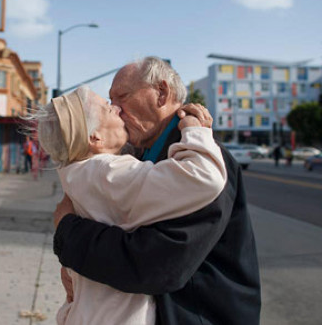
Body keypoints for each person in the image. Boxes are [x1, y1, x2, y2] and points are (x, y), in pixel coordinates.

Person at [53, 57, 261, 325]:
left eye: (122, 97)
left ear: (161, 93)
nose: (115, 109)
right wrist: (74, 271)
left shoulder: (205, 161)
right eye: (110, 102)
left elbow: (155, 265)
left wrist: (68, 232)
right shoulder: (140, 156)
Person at [34, 86, 226, 324]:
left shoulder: (76, 173)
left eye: (120, 98)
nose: (117, 108)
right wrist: (195, 130)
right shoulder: (107, 171)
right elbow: (203, 177)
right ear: (95, 137)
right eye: (108, 107)